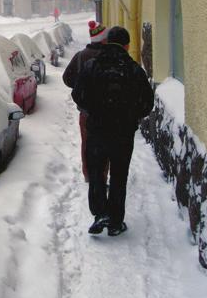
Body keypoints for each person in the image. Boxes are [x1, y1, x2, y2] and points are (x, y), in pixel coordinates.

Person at [71, 26, 154, 237]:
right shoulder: (134, 70)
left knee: (97, 172)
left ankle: (100, 214)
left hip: (97, 130)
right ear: (127, 45)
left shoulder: (91, 66)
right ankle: (116, 221)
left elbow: (78, 95)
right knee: (119, 175)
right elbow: (147, 103)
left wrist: (92, 110)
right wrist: (132, 115)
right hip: (123, 133)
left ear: (107, 43)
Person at [62, 20, 108, 182]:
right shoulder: (108, 57)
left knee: (87, 143)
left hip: (85, 111)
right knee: (104, 143)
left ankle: (88, 174)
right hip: (106, 110)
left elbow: (67, 78)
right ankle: (102, 175)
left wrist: (79, 87)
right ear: (103, 40)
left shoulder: (81, 56)